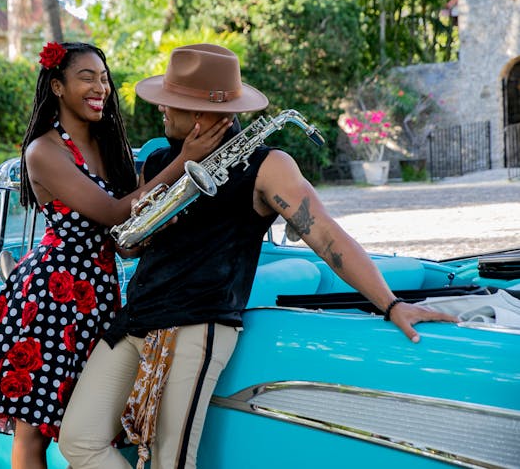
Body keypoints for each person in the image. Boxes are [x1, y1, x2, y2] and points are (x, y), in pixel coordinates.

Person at [58, 43, 459, 469]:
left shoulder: (268, 165)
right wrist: (155, 214)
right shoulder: (158, 159)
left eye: (169, 103)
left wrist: (392, 303)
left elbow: (325, 236)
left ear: (199, 112)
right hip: (136, 319)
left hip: (196, 324)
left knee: (167, 463)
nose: (160, 110)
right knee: (79, 440)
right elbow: (127, 245)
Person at [0, 42, 230, 469]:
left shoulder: (108, 145)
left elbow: (125, 230)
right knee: (34, 430)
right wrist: (185, 161)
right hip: (51, 297)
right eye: (86, 77)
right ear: (57, 86)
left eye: (104, 78)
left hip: (98, 295)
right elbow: (115, 211)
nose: (101, 87)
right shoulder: (43, 151)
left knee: (89, 427)